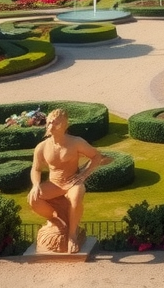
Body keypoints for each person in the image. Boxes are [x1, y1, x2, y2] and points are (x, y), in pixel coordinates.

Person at [28, 107, 110, 253]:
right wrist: (35, 185)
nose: (50, 126)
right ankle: (55, 220)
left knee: (77, 195)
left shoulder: (76, 142)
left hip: (72, 182)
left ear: (65, 125)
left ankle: (72, 235)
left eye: (55, 123)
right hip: (54, 184)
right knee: (33, 199)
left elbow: (96, 156)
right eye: (49, 123)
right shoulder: (41, 147)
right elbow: (36, 169)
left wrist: (84, 175)